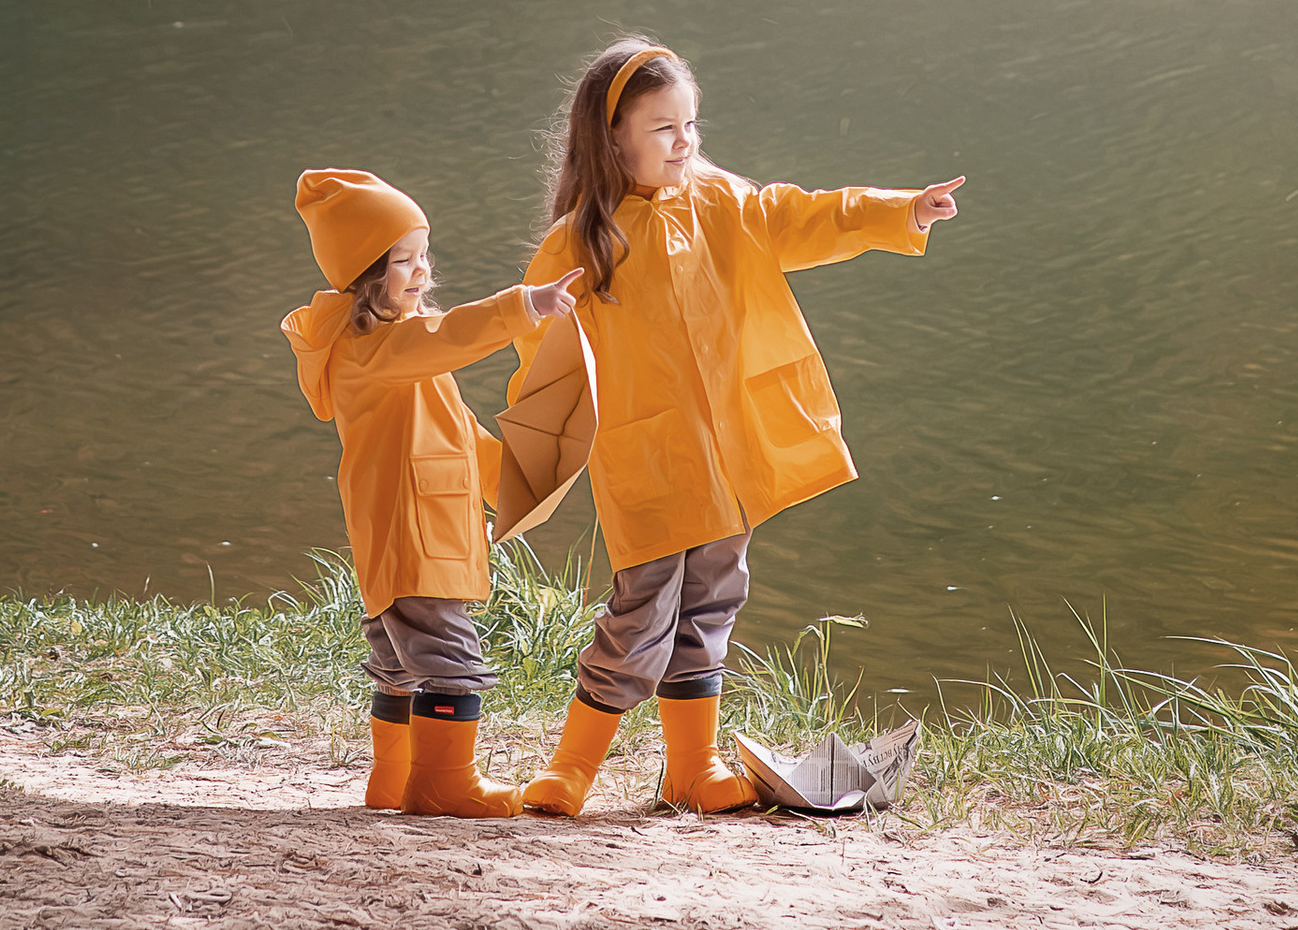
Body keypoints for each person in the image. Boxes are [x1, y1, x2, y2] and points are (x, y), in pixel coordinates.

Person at [509, 41, 961, 818]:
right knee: (642, 609)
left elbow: (806, 214)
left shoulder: (724, 202)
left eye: (692, 123)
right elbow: (543, 356)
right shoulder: (583, 242)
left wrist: (900, 210)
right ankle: (571, 769)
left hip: (727, 451)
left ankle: (692, 767)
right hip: (646, 454)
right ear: (612, 138)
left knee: (712, 601)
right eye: (664, 128)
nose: (686, 141)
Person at [284, 167, 583, 819]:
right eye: (402, 262)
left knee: (396, 662)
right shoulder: (374, 350)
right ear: (365, 277)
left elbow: (456, 429)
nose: (421, 271)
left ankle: (392, 780)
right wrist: (524, 306)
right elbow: (447, 337)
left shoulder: (390, 348)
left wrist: (516, 477)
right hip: (413, 534)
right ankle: (444, 781)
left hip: (403, 534)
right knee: (449, 659)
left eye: (424, 255)